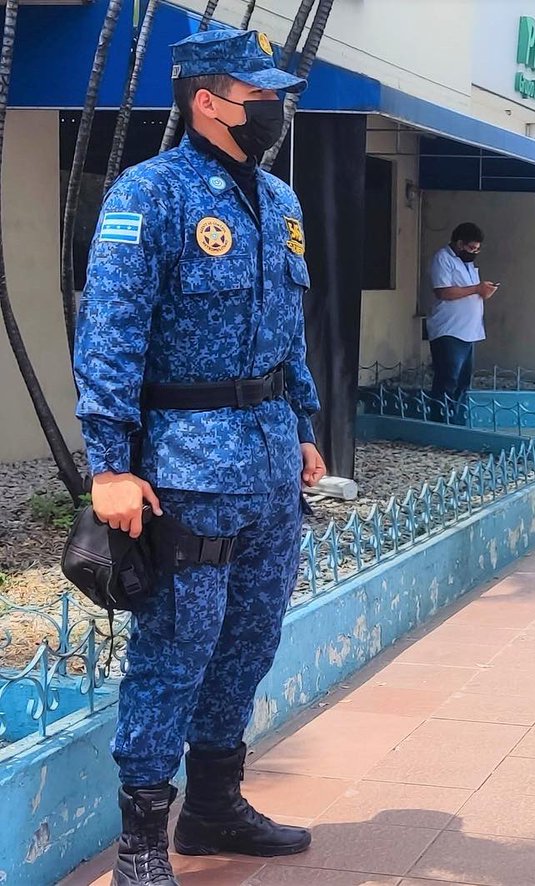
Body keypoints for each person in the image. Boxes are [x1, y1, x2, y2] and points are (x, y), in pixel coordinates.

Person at [73, 29, 326, 886]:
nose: (275, 108)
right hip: (185, 465)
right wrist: (110, 465)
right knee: (176, 650)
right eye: (260, 95)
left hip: (267, 461)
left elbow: (289, 330)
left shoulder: (281, 203)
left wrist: (303, 425)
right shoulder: (151, 195)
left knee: (249, 640)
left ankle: (215, 809)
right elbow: (109, 332)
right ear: (207, 101)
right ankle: (142, 843)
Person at [425, 223, 498, 425]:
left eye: (477, 249)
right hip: (449, 330)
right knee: (448, 379)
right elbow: (443, 291)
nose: (474, 253)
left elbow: (471, 291)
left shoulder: (466, 263)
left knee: (463, 382)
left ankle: (456, 421)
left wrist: (483, 291)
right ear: (459, 243)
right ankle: (440, 422)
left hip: (469, 331)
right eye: (471, 248)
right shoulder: (443, 258)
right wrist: (476, 289)